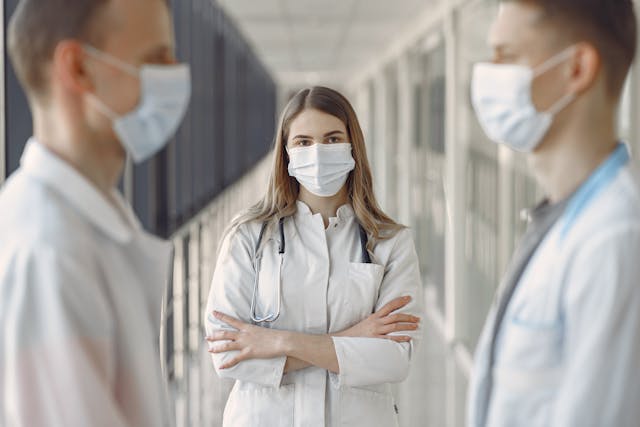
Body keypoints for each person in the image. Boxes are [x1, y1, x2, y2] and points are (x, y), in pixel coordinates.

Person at [0, 0, 190, 425]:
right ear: (79, 69)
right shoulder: (48, 252)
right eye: (156, 59)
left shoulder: (90, 223)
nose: (176, 74)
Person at [204, 86, 422, 427]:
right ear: (287, 154)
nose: (318, 152)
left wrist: (278, 341)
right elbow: (228, 354)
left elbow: (394, 359)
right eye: (304, 142)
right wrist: (353, 340)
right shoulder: (248, 235)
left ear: (353, 148)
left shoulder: (390, 241)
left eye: (332, 139)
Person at [467, 1, 640, 426]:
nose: (488, 74)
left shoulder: (615, 240)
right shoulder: (562, 220)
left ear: (576, 69)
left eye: (506, 56)